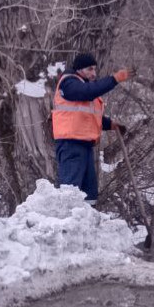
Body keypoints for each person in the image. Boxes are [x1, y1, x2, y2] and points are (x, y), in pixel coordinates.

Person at [51, 52, 136, 202]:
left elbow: (88, 116)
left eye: (94, 69)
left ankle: (87, 223)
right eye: (90, 69)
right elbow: (87, 93)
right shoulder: (69, 83)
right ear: (79, 69)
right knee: (69, 193)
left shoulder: (82, 86)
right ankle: (65, 224)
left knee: (89, 194)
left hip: (84, 146)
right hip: (70, 144)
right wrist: (114, 79)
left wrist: (110, 124)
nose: (93, 73)